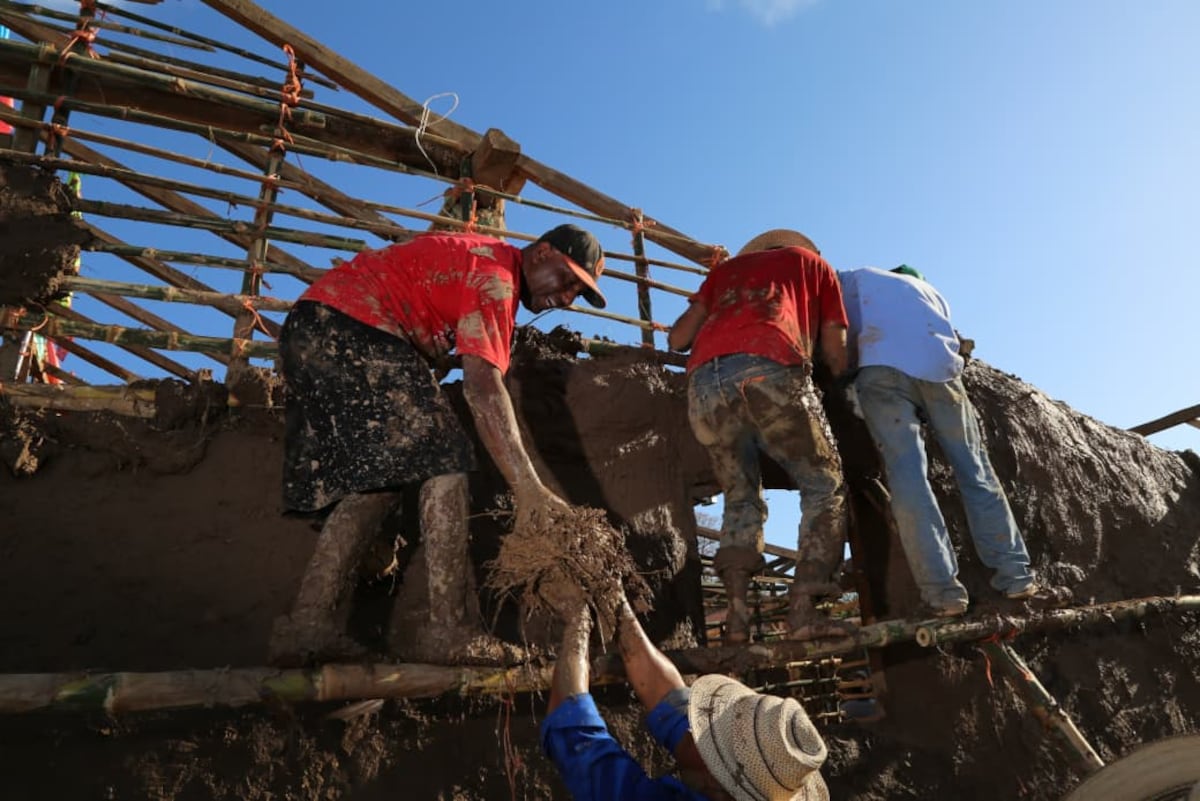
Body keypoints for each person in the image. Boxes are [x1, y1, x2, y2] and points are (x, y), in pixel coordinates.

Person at [271, 224, 607, 664]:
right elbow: (483, 388)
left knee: (378, 485)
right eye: (567, 282)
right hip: (351, 322)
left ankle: (307, 626)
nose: (566, 298)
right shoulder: (495, 278)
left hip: (314, 328)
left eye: (577, 295)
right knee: (444, 458)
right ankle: (446, 630)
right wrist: (527, 485)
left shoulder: (480, 262)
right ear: (541, 253)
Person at [838, 265, 1068, 617]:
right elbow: (953, 342)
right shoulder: (927, 292)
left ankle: (943, 593)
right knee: (975, 470)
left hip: (879, 372)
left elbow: (835, 336)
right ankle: (1015, 575)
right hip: (939, 368)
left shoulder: (846, 280)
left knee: (909, 480)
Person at [668, 229, 850, 643]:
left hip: (704, 386)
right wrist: (838, 385)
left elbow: (677, 339)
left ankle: (736, 618)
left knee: (740, 495)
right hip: (770, 369)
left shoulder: (725, 273)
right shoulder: (814, 266)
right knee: (824, 485)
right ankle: (805, 608)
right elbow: (835, 347)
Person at [542, 592, 830, 800]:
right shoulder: (761, 779)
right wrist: (616, 599)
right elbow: (672, 700)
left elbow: (577, 740)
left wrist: (577, 623)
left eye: (708, 743)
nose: (694, 731)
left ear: (716, 786)